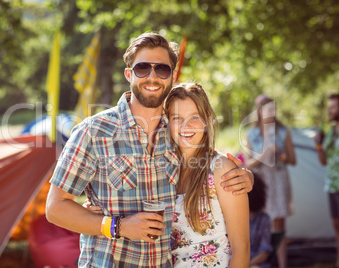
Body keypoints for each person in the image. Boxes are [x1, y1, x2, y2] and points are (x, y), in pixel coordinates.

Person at [46, 32, 254, 267]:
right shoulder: (93, 132)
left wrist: (245, 177)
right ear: (128, 74)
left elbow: (205, 165)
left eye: (162, 69)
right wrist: (116, 226)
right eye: (142, 68)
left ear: (172, 76)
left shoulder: (175, 132)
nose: (152, 76)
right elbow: (55, 208)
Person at [165, 83, 250, 267]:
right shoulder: (164, 171)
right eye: (177, 118)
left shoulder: (221, 169)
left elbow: (242, 248)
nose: (186, 126)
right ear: (167, 122)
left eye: (194, 117)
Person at [245, 94, 296, 268]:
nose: (272, 113)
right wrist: (264, 153)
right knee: (261, 220)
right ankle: (260, 259)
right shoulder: (251, 134)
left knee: (278, 223)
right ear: (259, 112)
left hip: (279, 181)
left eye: (274, 110)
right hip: (261, 182)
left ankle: (282, 265)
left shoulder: (282, 131)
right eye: (268, 110)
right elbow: (248, 163)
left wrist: (281, 154)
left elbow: (292, 160)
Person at [314, 93, 339, 267]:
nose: (329, 111)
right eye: (329, 107)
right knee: (337, 226)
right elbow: (323, 162)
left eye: (333, 107)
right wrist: (318, 145)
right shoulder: (331, 132)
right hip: (332, 186)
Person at [248, 173, 272, 268]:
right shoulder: (228, 218)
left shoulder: (264, 219)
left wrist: (247, 265)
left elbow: (264, 252)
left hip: (254, 263)